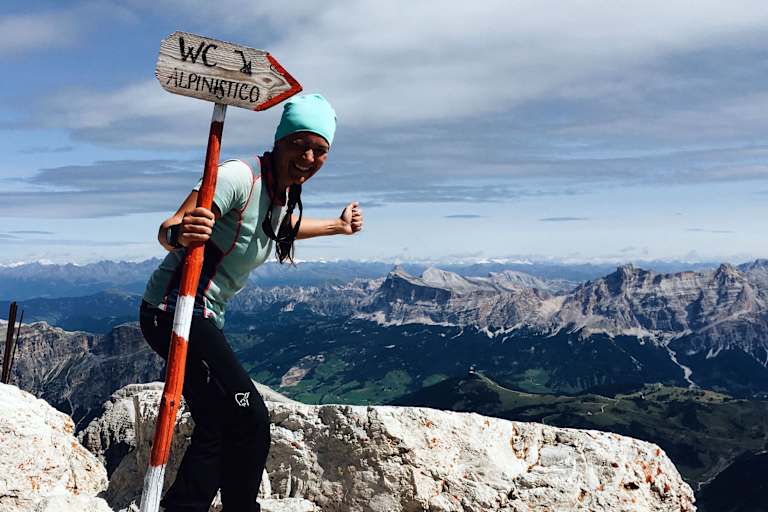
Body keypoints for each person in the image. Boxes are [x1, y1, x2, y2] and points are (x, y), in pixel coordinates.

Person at [139, 94, 362, 512]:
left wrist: (337, 226)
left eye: (321, 150)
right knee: (252, 418)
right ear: (280, 141)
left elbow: (280, 228)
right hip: (176, 311)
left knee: (216, 421)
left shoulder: (281, 192)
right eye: (300, 143)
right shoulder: (240, 177)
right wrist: (182, 232)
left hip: (201, 316)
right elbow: (168, 228)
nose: (309, 156)